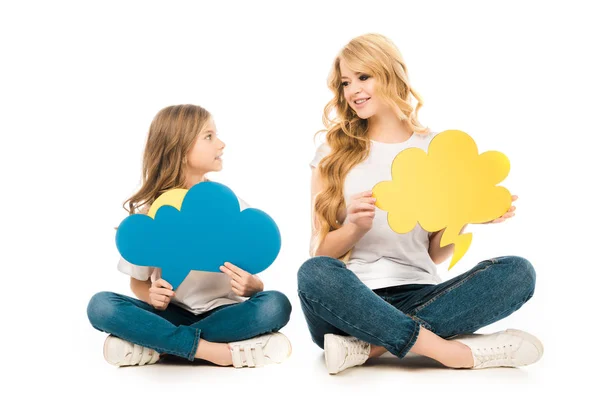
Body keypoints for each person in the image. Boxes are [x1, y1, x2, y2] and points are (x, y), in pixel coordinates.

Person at [297, 34, 543, 375]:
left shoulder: (435, 148)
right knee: (314, 274)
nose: (353, 91)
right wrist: (353, 228)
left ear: (390, 74)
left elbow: (433, 254)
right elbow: (320, 253)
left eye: (363, 77)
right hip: (351, 302)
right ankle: (450, 352)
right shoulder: (332, 153)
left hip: (421, 293)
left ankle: (371, 348)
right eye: (345, 82)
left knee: (517, 272)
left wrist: (465, 215)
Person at [88, 104, 292, 368]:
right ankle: (213, 352)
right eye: (209, 136)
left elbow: (253, 278)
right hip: (169, 314)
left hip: (224, 313)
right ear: (180, 148)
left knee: (275, 305)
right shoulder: (150, 212)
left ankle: (159, 347)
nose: (221, 144)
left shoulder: (231, 205)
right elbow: (137, 282)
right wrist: (152, 296)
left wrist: (254, 286)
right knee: (101, 305)